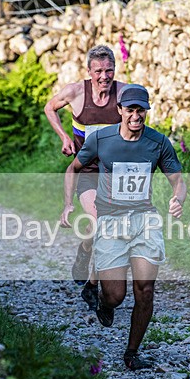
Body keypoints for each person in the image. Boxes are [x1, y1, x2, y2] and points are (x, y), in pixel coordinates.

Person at [60, 84, 187, 371]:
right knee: (116, 296)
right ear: (119, 111)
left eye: (140, 110)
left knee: (145, 289)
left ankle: (132, 352)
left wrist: (177, 199)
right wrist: (68, 203)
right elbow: (73, 169)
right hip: (111, 221)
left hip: (145, 221)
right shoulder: (101, 139)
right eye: (130, 110)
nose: (135, 116)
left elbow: (177, 180)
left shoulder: (158, 142)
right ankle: (104, 303)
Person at [44, 45, 126, 310]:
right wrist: (64, 136)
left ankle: (87, 254)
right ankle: (93, 282)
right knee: (99, 222)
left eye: (109, 69)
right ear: (89, 71)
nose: (104, 76)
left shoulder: (123, 93)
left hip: (115, 174)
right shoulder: (76, 92)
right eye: (99, 71)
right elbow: (49, 107)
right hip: (88, 172)